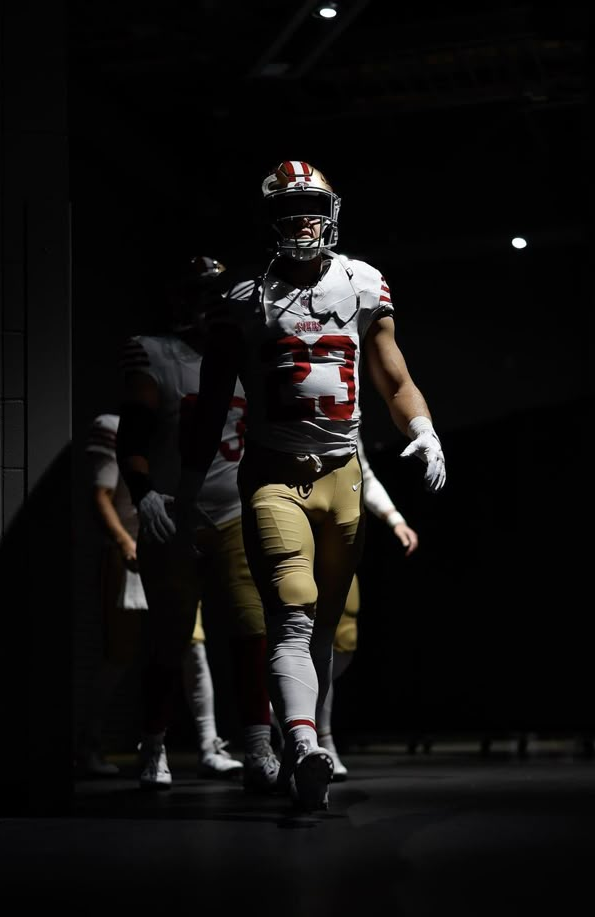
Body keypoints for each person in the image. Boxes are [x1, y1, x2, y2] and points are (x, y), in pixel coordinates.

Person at [174, 160, 446, 812]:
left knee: (322, 623)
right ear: (270, 219)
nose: (304, 217)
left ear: (333, 209)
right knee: (292, 610)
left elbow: (392, 371)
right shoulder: (242, 300)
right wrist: (187, 483)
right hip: (274, 474)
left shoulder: (361, 282)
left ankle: (311, 734)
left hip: (342, 474)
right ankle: (302, 744)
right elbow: (212, 402)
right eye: (290, 207)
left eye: (312, 204)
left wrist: (424, 426)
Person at [116, 256, 280, 792]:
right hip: (176, 511)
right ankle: (154, 746)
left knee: (253, 630)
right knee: (170, 638)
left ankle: (258, 744)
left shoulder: (250, 357)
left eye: (217, 295)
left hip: (235, 508)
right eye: (200, 295)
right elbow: (135, 432)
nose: (209, 307)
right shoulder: (156, 354)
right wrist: (144, 495)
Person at [75, 412, 243, 784]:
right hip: (132, 550)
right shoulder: (113, 426)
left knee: (193, 648)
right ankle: (88, 744)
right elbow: (100, 495)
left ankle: (207, 745)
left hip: (171, 548)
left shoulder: (176, 425)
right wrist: (124, 542)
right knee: (120, 653)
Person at [316, 431, 419, 781]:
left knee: (341, 644)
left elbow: (365, 475)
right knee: (297, 638)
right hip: (297, 534)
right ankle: (317, 736)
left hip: (337, 543)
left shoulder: (348, 419)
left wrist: (395, 519)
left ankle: (291, 709)